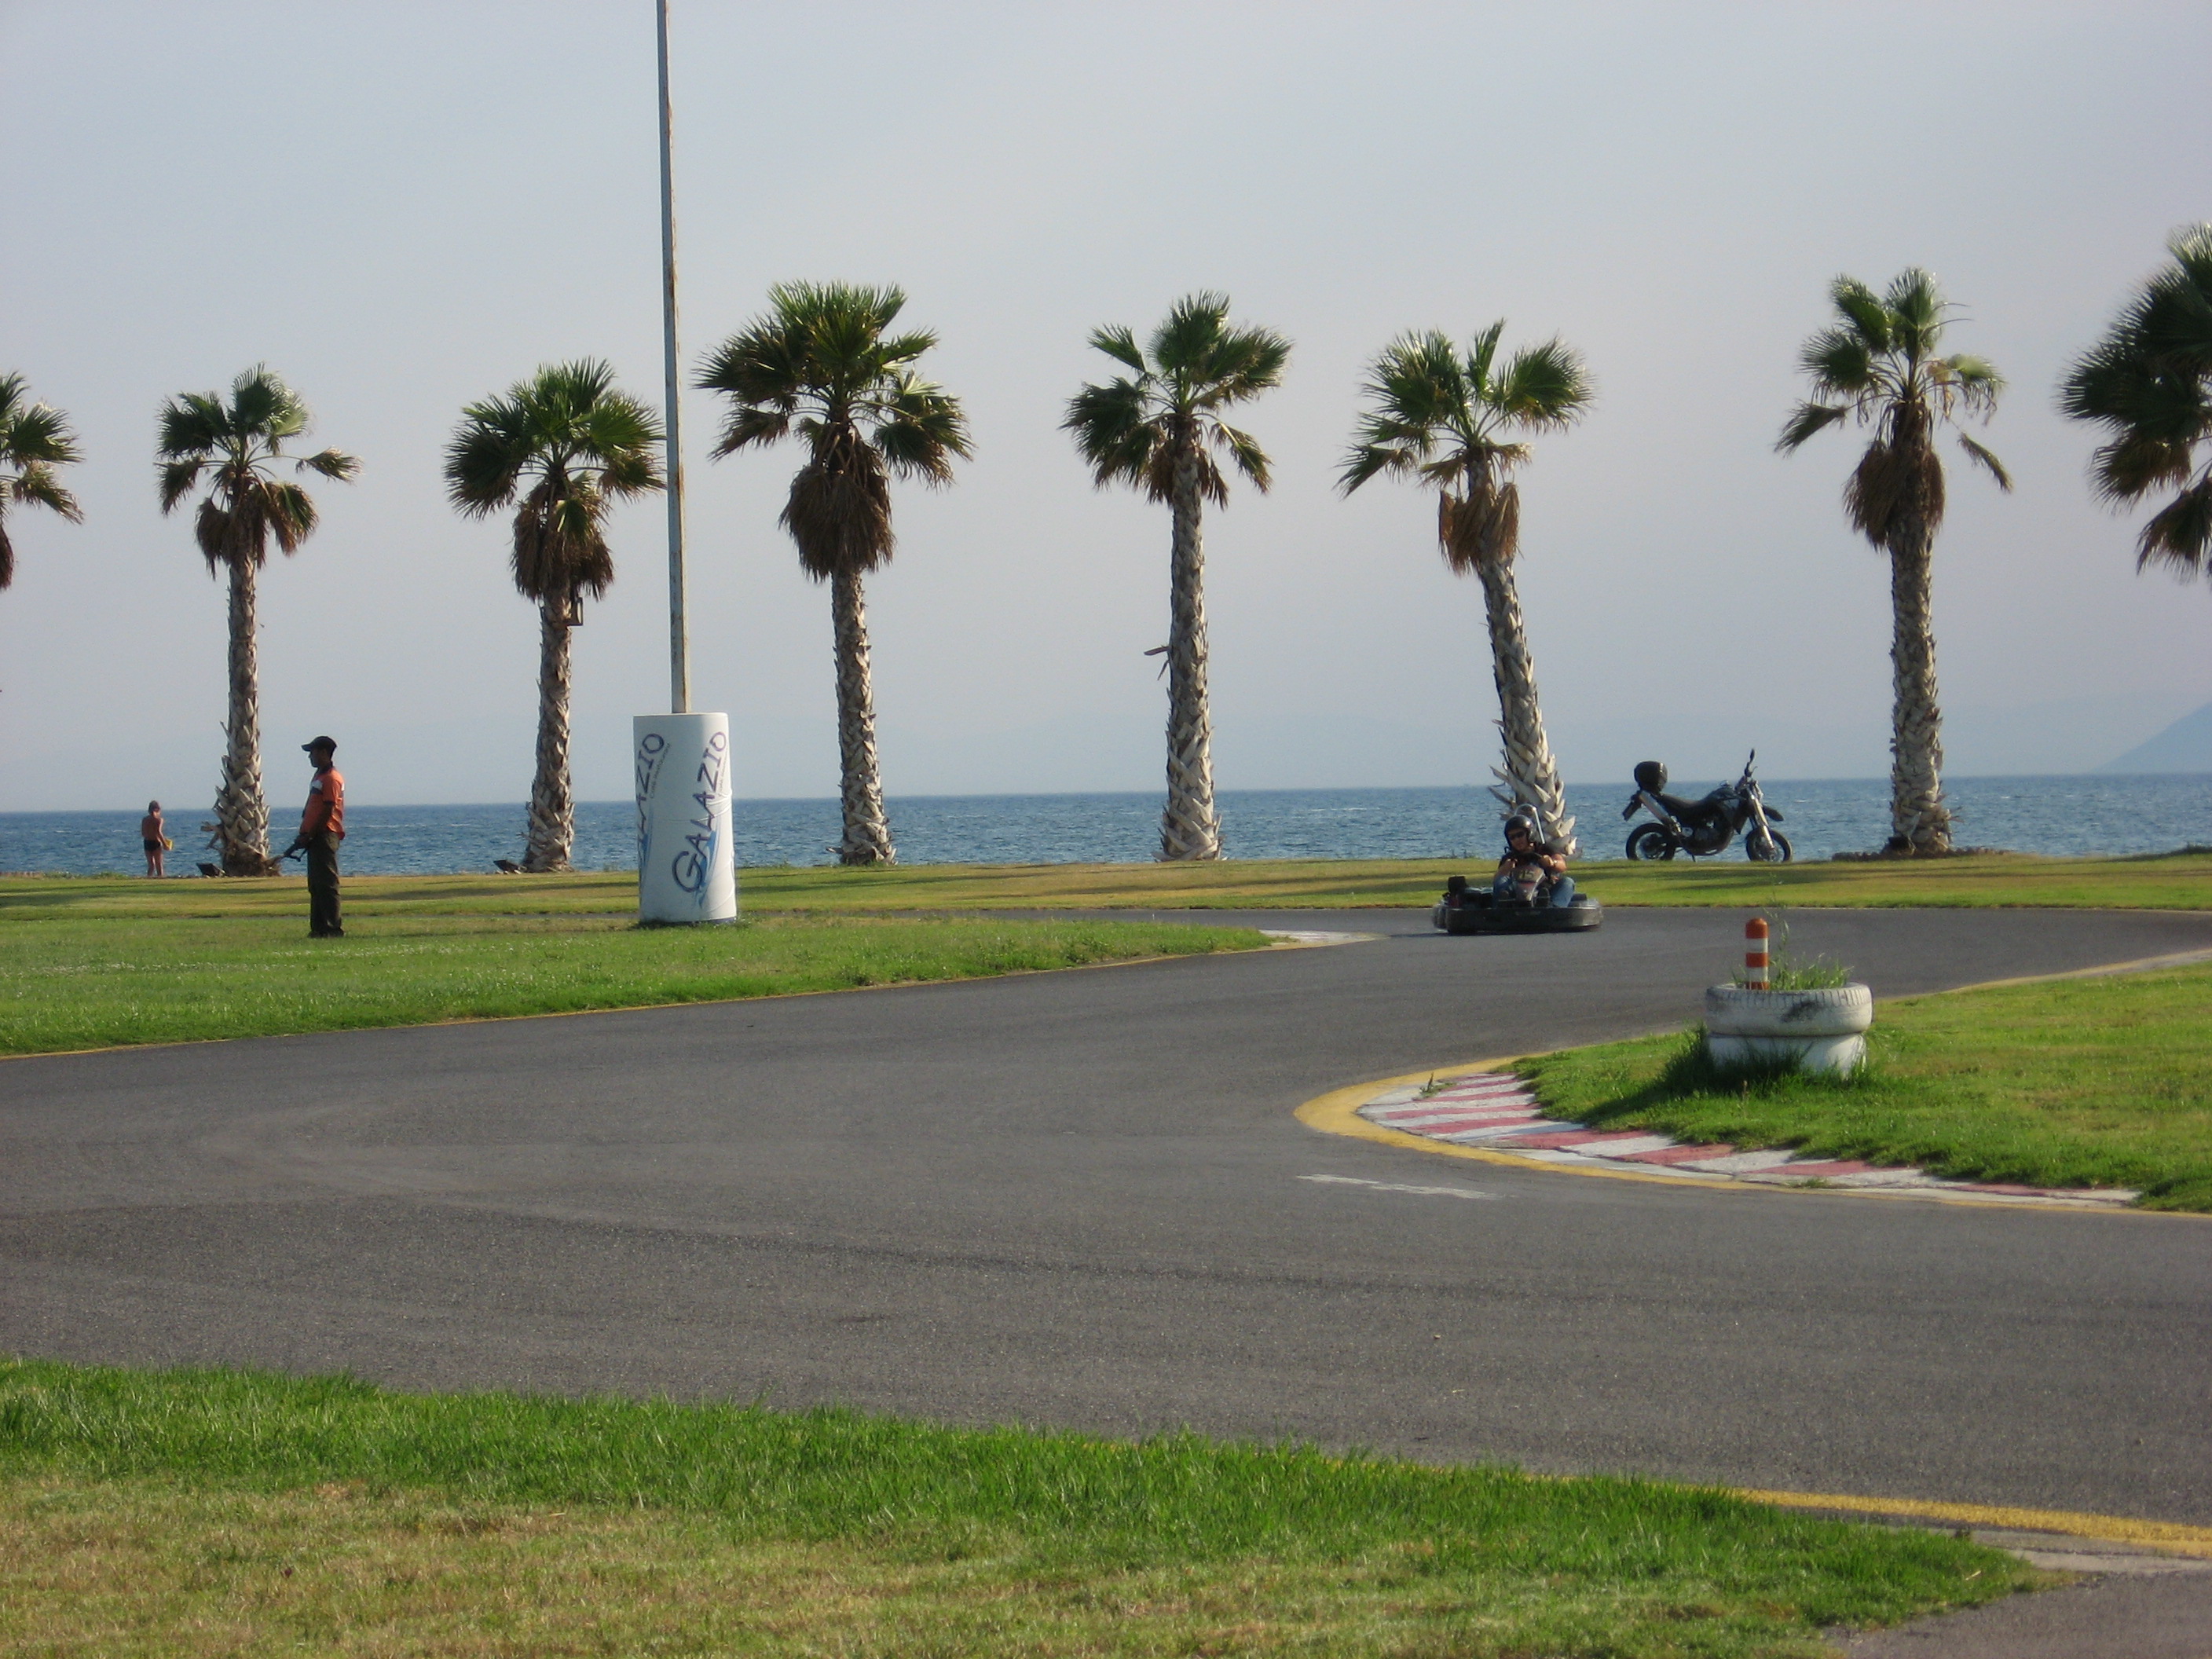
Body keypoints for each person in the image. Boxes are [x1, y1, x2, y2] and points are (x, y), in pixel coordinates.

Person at [282, 735, 346, 938]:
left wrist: (310, 835)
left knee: (327, 884)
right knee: (316, 885)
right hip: (315, 835)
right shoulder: (319, 776)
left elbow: (327, 810)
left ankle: (332, 928)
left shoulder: (331, 778)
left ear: (324, 753)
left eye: (313, 752)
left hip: (325, 834)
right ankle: (318, 928)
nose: (310, 756)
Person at [1494, 809, 1575, 907]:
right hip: (1516, 894)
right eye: (1512, 837)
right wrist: (1504, 870)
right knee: (1501, 880)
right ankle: (1504, 907)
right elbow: (1497, 879)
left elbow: (1562, 865)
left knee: (1567, 882)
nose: (1517, 840)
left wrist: (1552, 863)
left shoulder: (1544, 849)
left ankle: (1552, 907)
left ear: (1530, 833)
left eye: (1520, 835)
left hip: (1544, 889)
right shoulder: (1510, 858)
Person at [139, 800, 166, 877]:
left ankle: (149, 878)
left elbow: (143, 833)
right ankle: (160, 878)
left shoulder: (145, 820)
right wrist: (165, 844)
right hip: (156, 842)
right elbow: (159, 832)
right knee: (159, 864)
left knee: (151, 865)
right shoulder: (159, 820)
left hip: (147, 842)